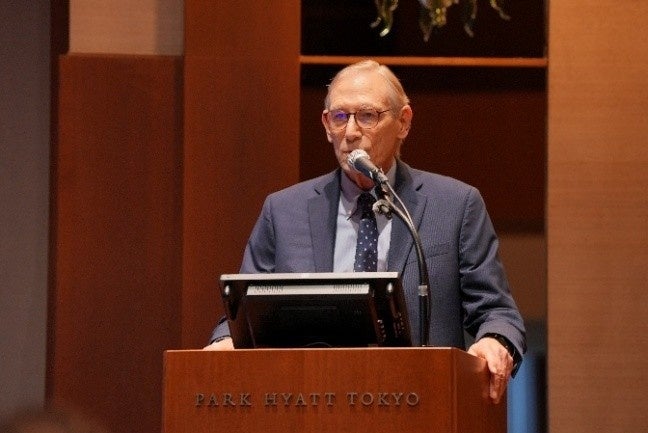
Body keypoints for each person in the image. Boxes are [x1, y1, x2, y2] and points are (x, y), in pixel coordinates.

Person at [205, 59, 526, 404]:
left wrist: (495, 341)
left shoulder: (454, 206)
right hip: (310, 403)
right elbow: (242, 309)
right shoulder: (284, 211)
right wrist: (225, 341)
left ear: (403, 122)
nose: (350, 132)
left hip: (419, 402)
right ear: (326, 124)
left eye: (367, 116)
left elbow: (497, 312)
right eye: (339, 117)